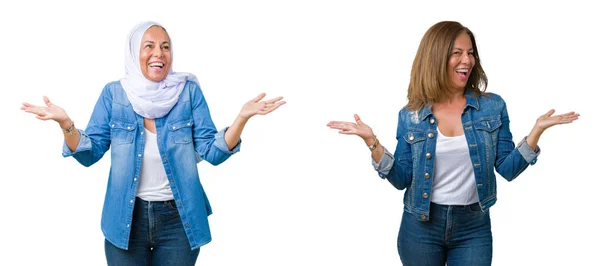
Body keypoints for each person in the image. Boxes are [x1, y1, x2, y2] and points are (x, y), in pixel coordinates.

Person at [21, 21, 285, 265]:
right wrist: (66, 124)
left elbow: (211, 152)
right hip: (125, 218)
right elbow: (90, 154)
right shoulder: (114, 94)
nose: (159, 53)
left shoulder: (188, 91)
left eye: (165, 47)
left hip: (178, 221)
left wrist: (242, 118)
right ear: (134, 52)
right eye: (149, 46)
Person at [327, 21, 579, 265]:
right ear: (436, 58)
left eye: (470, 53)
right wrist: (372, 142)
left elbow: (507, 169)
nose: (467, 60)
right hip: (421, 227)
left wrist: (536, 132)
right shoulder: (411, 114)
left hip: (473, 227)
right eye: (456, 53)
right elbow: (402, 179)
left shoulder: (492, 106)